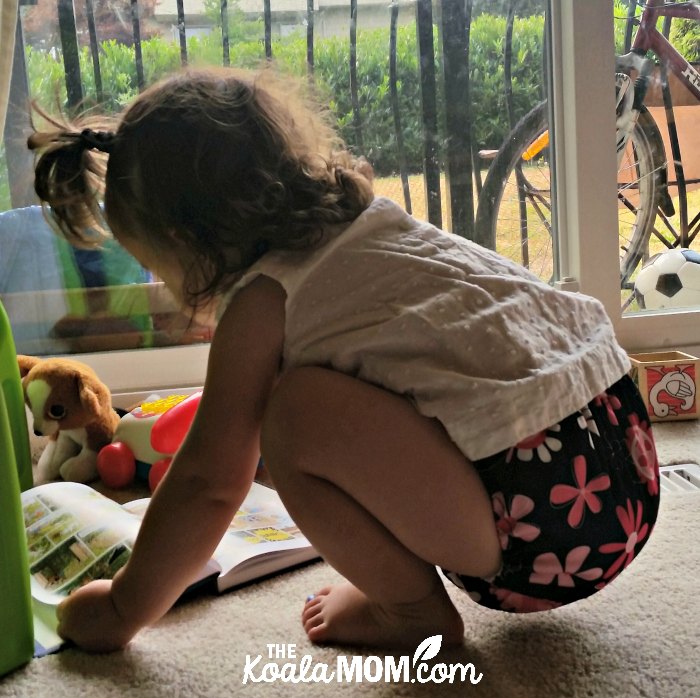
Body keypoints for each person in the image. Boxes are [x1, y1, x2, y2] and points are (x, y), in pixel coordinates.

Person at [28, 66, 660, 653]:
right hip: (626, 458)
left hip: (547, 521)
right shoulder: (372, 222)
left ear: (180, 243)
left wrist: (123, 607)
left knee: (295, 418)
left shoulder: (263, 297)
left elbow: (207, 482)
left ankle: (411, 612)